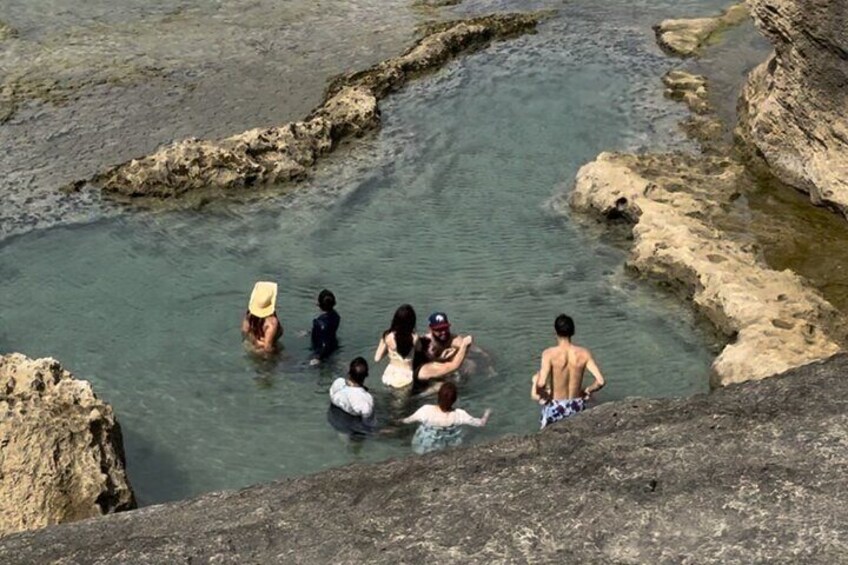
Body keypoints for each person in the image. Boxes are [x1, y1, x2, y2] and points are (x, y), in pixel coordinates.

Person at [531, 314, 605, 429]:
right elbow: (600, 381)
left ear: (555, 332)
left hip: (556, 406)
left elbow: (541, 384)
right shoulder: (584, 353)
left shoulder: (549, 354)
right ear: (573, 331)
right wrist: (587, 390)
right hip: (576, 405)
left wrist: (535, 381)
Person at [401, 382, 490, 454]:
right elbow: (481, 423)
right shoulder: (459, 414)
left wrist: (396, 420)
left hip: (422, 446)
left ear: (438, 396)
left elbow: (407, 421)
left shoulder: (425, 410)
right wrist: (487, 413)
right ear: (454, 399)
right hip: (446, 448)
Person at [327, 357, 376, 437]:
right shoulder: (366, 400)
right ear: (366, 375)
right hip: (351, 431)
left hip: (333, 420)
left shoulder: (338, 382)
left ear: (349, 372)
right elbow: (369, 426)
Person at [374, 304, 419, 389]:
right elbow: (419, 349)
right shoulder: (415, 337)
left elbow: (377, 359)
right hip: (406, 378)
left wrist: (388, 348)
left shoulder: (387, 336)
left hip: (389, 376)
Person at [241, 281, 282, 353]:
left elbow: (244, 331)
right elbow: (267, 347)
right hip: (264, 354)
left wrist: (256, 342)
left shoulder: (250, 315)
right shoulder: (271, 322)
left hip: (250, 348)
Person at [310, 289, 340, 364]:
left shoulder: (319, 323)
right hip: (334, 345)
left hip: (320, 351)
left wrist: (318, 358)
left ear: (319, 305)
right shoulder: (336, 316)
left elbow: (324, 344)